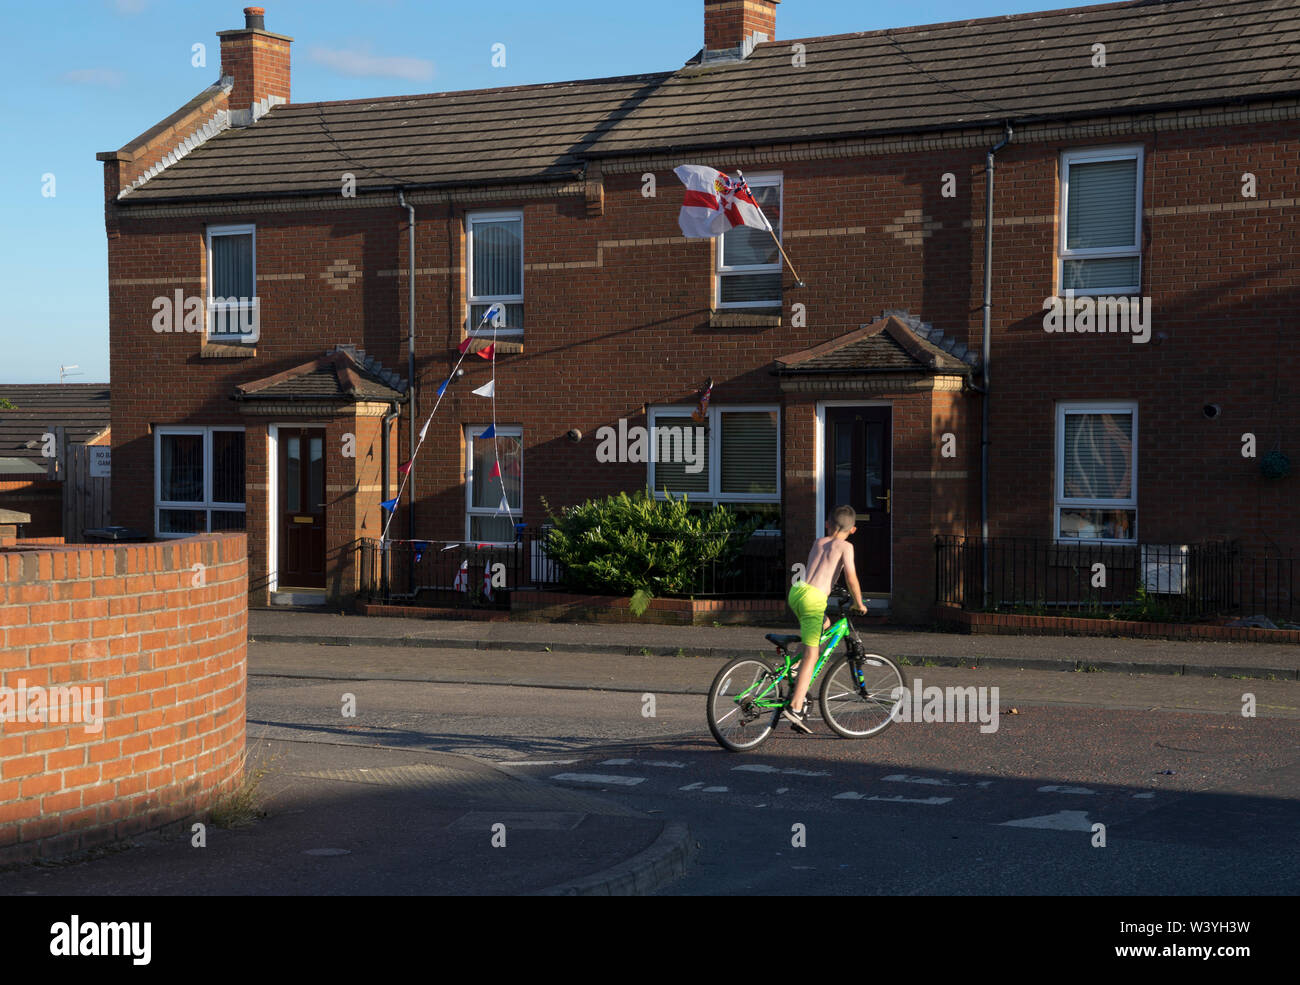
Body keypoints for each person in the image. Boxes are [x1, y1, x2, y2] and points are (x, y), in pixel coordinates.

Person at [783, 505, 868, 733]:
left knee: (825, 625)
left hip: (797, 592)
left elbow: (822, 569)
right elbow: (851, 577)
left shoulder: (819, 542)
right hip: (814, 600)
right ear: (853, 530)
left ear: (828, 524)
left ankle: (795, 668)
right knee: (813, 654)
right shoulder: (846, 547)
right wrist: (859, 603)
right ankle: (796, 706)